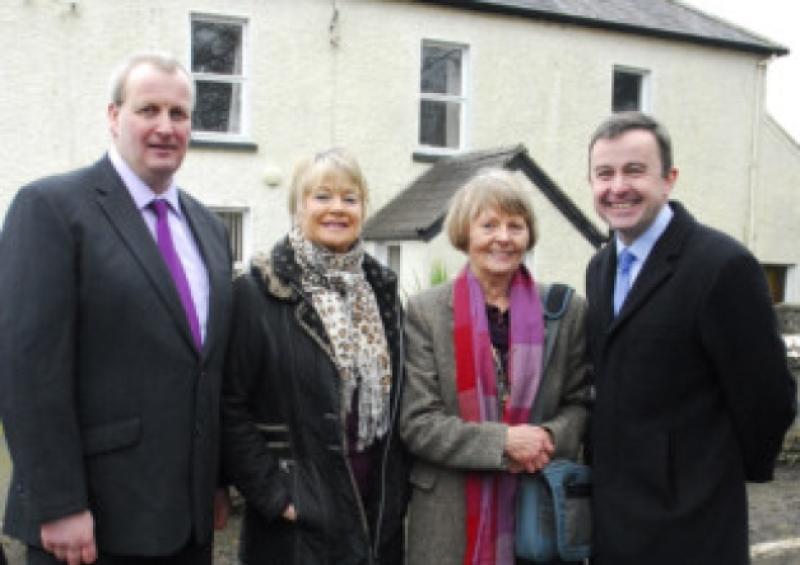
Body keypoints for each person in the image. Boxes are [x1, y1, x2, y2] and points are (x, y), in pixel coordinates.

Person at [0, 53, 233, 565]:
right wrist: (59, 502)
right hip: (91, 527)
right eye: (148, 109)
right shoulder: (51, 209)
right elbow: (27, 370)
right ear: (113, 117)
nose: (166, 127)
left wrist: (215, 482)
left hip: (187, 522)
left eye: (179, 114)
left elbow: (206, 370)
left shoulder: (210, 229)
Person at [585, 111, 797, 565]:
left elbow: (769, 398)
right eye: (604, 173)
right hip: (614, 523)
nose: (617, 186)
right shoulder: (600, 268)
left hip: (692, 528)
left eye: (634, 171)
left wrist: (709, 478)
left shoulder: (722, 266)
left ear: (669, 179)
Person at [221, 148, 409, 565]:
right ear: (297, 207)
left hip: (374, 511)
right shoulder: (258, 292)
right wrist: (277, 495)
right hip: (297, 523)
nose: (336, 209)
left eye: (349, 198)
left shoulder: (382, 291)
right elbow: (228, 405)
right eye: (321, 197)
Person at [399, 168, 591, 565]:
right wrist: (503, 442)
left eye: (515, 225)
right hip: (448, 516)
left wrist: (544, 438)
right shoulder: (425, 313)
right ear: (465, 233)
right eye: (489, 224)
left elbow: (581, 402)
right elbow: (417, 423)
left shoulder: (565, 310)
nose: (503, 237)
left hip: (536, 508)